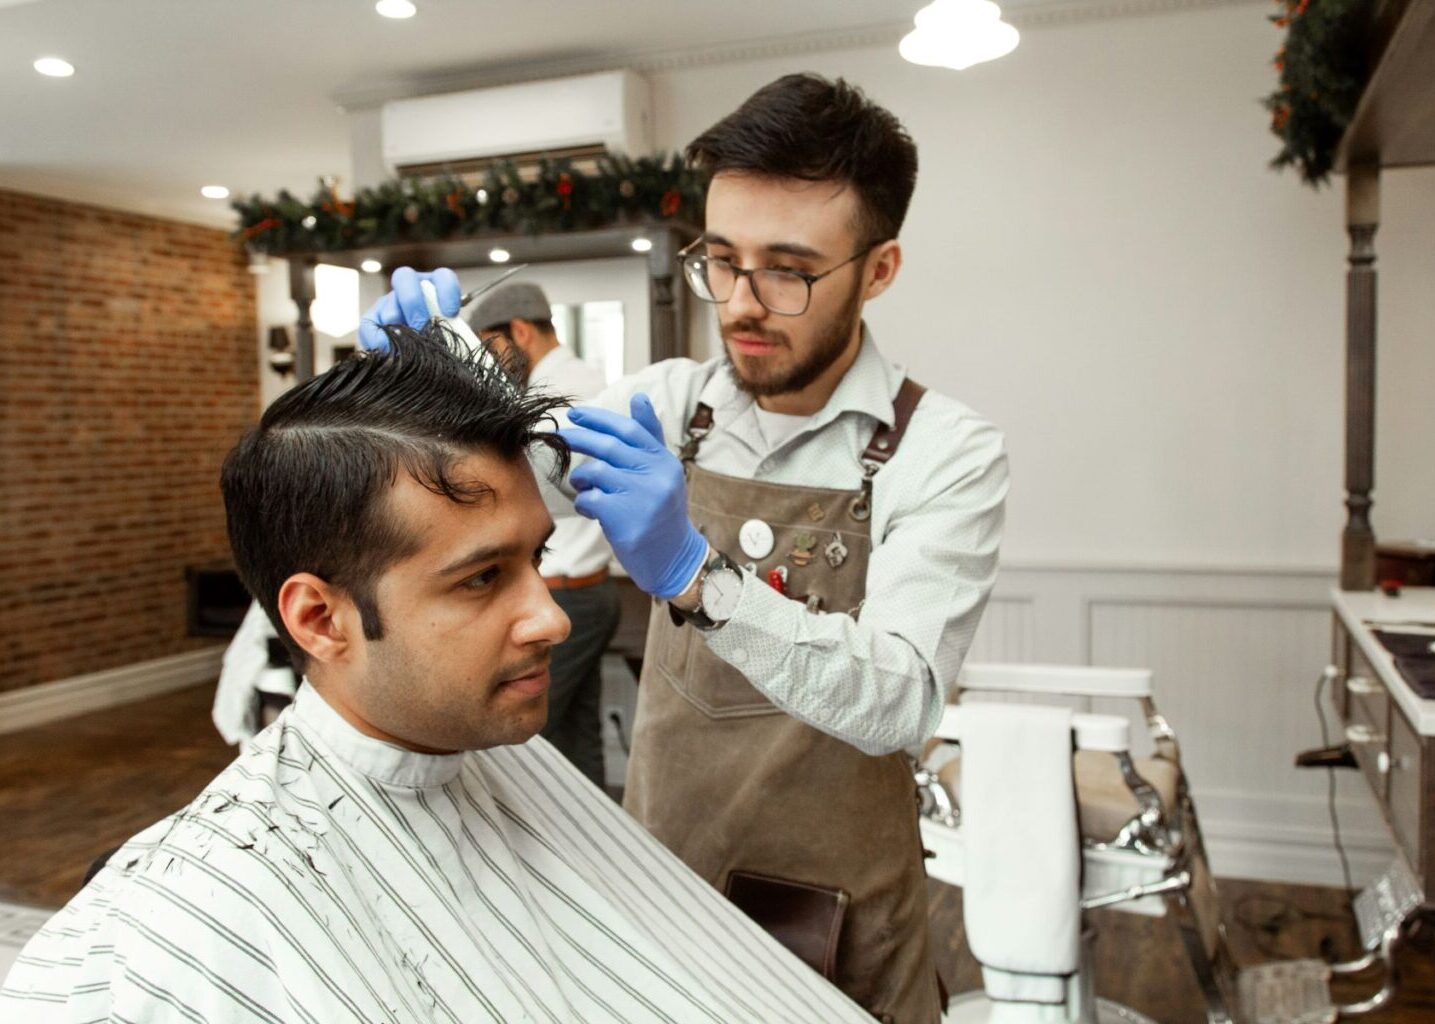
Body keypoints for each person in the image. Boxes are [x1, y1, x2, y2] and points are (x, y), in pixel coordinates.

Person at [0, 321, 875, 1023]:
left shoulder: (493, 749)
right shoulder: (179, 921)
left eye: (537, 558)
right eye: (482, 578)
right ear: (318, 617)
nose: (551, 616)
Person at [370, 73, 1010, 1024]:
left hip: (834, 917)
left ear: (878, 270)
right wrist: (422, 379)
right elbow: (496, 473)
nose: (742, 303)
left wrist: (695, 578)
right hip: (660, 883)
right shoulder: (668, 405)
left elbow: (901, 699)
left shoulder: (944, 451)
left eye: (788, 269)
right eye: (721, 258)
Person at [469, 281, 619, 788]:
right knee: (578, 742)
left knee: (523, 752)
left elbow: (517, 492)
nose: (490, 364)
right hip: (585, 591)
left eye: (490, 348)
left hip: (567, 594)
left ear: (520, 331)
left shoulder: (563, 394)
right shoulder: (579, 379)